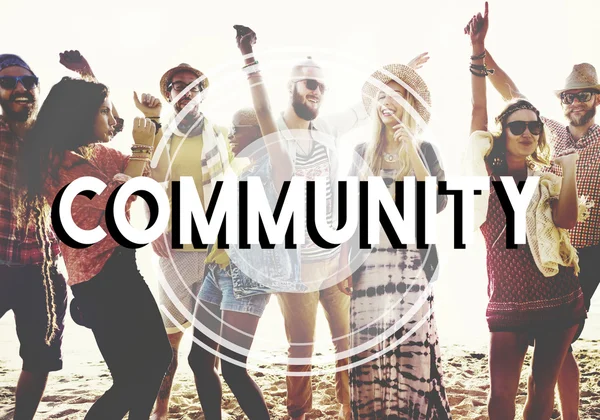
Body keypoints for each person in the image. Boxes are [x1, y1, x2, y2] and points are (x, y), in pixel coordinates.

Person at [269, 43, 430, 420]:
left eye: (322, 87)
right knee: (301, 347)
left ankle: (348, 407)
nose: (316, 91)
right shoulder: (269, 132)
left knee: (348, 342)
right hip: (293, 265)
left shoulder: (324, 128)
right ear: (290, 86)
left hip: (333, 257)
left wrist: (400, 75)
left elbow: (367, 107)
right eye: (309, 83)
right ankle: (298, 413)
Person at [467, 6, 600, 419]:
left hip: (585, 253)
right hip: (529, 266)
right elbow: (507, 96)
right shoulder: (543, 134)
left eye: (584, 94)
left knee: (560, 350)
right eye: (569, 95)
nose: (576, 101)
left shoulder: (586, 148)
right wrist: (480, 51)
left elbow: (568, 216)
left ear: (596, 99)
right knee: (548, 356)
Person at [17, 77, 172, 419]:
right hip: (98, 281)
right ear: (79, 115)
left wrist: (155, 121)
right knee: (134, 376)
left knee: (155, 360)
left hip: (123, 267)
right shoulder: (58, 166)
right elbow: (119, 205)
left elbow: (147, 171)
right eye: (103, 111)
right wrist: (141, 149)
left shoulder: (97, 153)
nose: (111, 119)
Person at [186, 25, 295, 419]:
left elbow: (266, 113)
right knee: (199, 359)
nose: (231, 134)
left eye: (238, 127)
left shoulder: (280, 166)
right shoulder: (244, 171)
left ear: (258, 132)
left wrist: (248, 57)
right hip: (221, 269)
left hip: (251, 277)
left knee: (232, 365)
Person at [337, 61, 452, 418]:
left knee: (412, 349)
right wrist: (343, 262)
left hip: (411, 265)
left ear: (410, 104)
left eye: (399, 94)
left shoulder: (426, 150)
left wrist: (413, 155)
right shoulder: (360, 152)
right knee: (369, 350)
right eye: (383, 95)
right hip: (368, 265)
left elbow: (437, 202)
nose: (389, 102)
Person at [132, 62, 230, 420]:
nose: (186, 91)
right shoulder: (160, 137)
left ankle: (212, 414)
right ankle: (161, 410)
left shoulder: (221, 134)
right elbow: (144, 184)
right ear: (169, 93)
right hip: (174, 249)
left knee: (209, 348)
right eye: (178, 86)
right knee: (168, 343)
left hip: (215, 247)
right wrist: (152, 226)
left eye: (193, 86)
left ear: (202, 93)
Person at [0, 53, 68, 420]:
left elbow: (108, 123)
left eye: (27, 82)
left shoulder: (53, 138)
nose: (20, 88)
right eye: (8, 82)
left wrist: (86, 75)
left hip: (40, 269)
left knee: (40, 355)